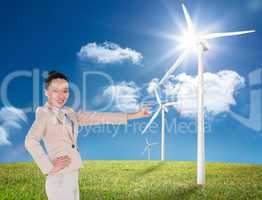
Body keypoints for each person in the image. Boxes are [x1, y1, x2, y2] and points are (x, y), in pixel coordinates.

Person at [25, 71, 150, 200]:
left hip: (73, 176)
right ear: (46, 92)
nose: (61, 95)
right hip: (59, 179)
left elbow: (99, 117)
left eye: (65, 91)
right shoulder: (44, 113)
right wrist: (49, 167)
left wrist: (135, 115)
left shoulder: (69, 112)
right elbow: (30, 141)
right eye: (55, 91)